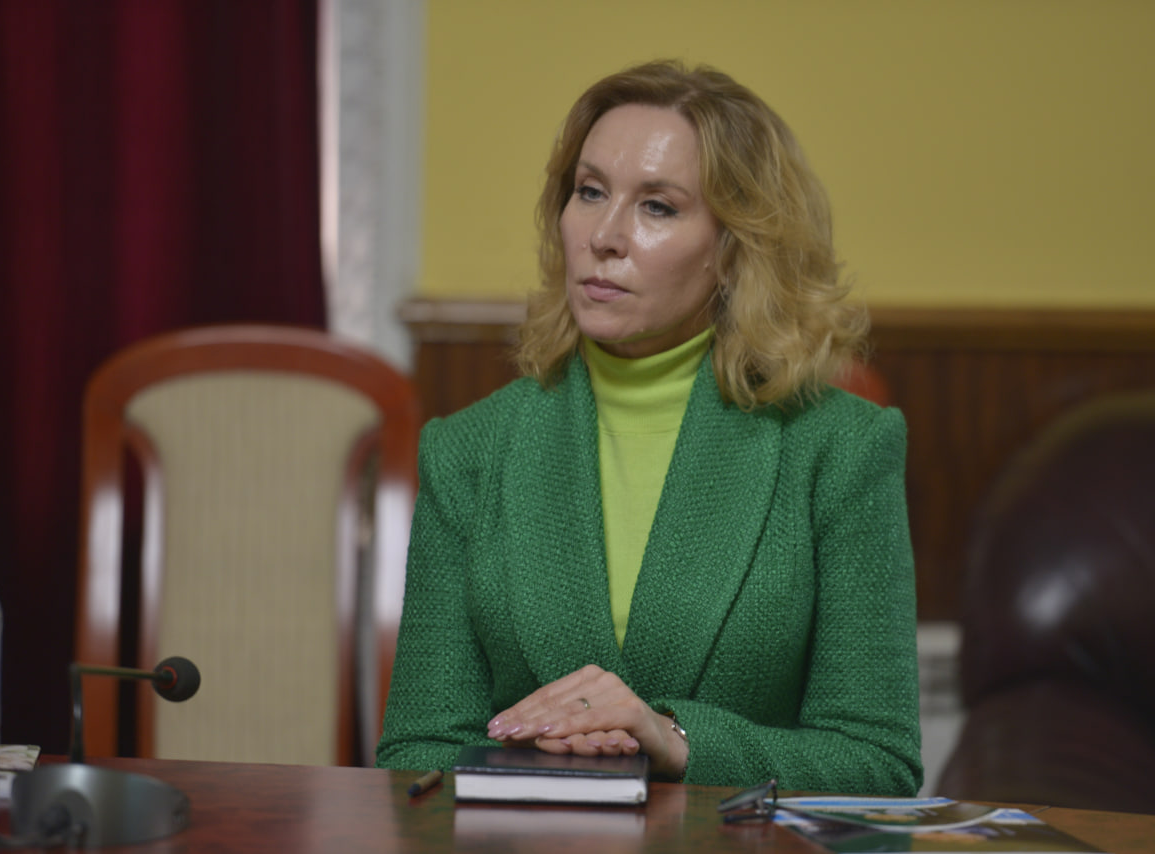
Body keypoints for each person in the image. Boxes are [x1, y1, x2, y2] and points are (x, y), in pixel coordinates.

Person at [376, 59, 921, 794]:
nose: (604, 235)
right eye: (589, 191)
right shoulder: (467, 450)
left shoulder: (842, 448)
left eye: (657, 207)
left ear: (737, 247)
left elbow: (878, 765)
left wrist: (673, 738)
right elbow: (416, 754)